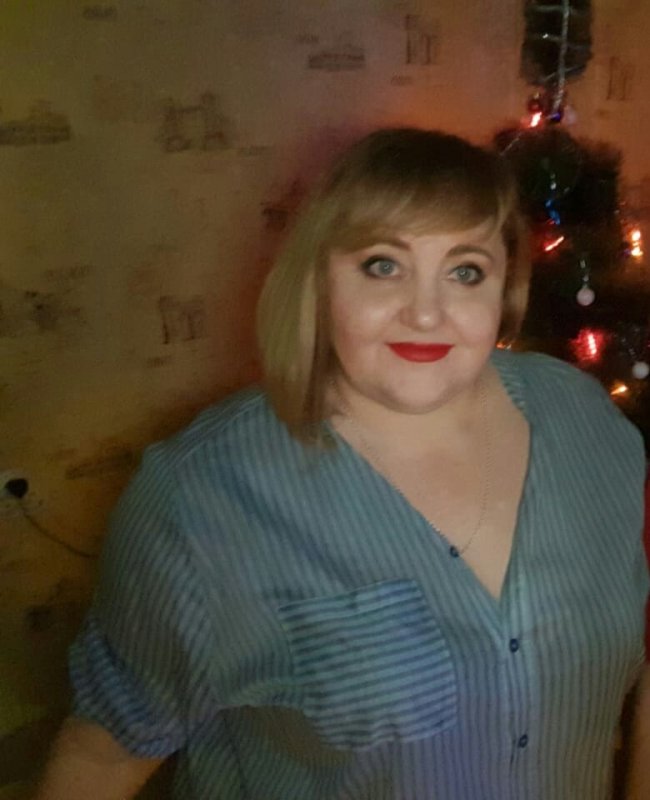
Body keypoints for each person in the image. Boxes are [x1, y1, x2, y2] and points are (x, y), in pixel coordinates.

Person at [34, 128, 649, 799]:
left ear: (505, 289)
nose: (425, 313)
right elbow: (102, 757)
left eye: (465, 271)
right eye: (383, 265)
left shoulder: (587, 425)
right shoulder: (203, 496)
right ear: (319, 280)